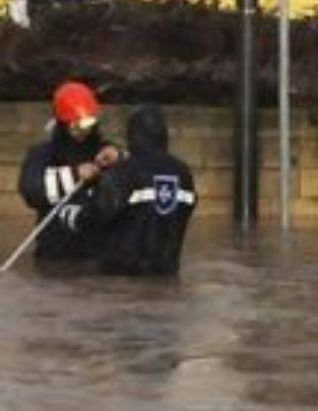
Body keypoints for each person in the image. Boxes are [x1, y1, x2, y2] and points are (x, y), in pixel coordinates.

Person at [15, 81, 122, 266]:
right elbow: (31, 191)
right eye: (75, 125)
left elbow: (133, 181)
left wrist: (120, 157)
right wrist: (74, 175)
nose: (82, 131)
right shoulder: (42, 154)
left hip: (98, 256)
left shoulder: (105, 152)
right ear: (62, 124)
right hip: (54, 255)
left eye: (87, 124)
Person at [91, 104, 196, 277]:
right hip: (167, 274)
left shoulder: (123, 172)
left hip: (123, 279)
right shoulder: (184, 173)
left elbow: (97, 215)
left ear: (132, 134)